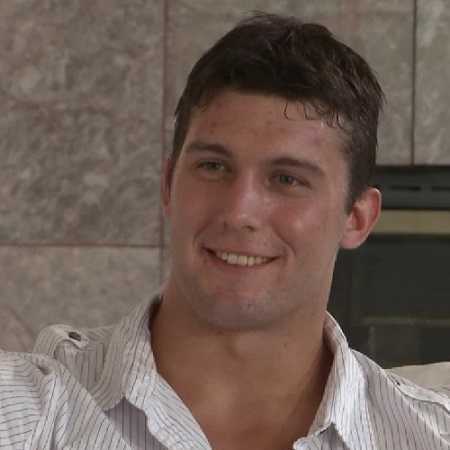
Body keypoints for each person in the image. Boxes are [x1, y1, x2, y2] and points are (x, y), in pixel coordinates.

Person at [1, 12, 449, 450]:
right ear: (169, 186)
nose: (239, 212)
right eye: (213, 167)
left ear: (357, 218)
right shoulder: (26, 411)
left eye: (287, 179)